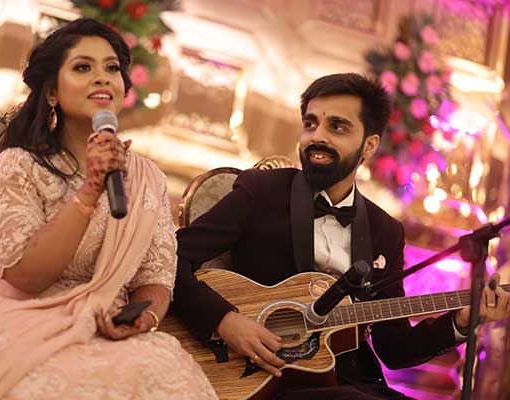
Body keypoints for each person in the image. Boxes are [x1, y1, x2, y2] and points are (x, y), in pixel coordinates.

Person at [0, 18, 217, 400]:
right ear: (52, 91)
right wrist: (91, 189)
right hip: (24, 321)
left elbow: (154, 279)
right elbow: (27, 277)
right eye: (83, 67)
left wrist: (143, 317)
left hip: (110, 331)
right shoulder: (19, 166)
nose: (102, 77)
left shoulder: (146, 177)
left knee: (161, 370)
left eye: (111, 68)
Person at [173, 73, 510, 399]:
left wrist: (462, 320)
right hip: (263, 377)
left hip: (349, 383)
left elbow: (394, 348)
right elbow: (169, 258)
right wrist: (224, 320)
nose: (317, 136)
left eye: (337, 126)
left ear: (369, 145)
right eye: (310, 123)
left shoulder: (385, 231)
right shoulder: (261, 191)